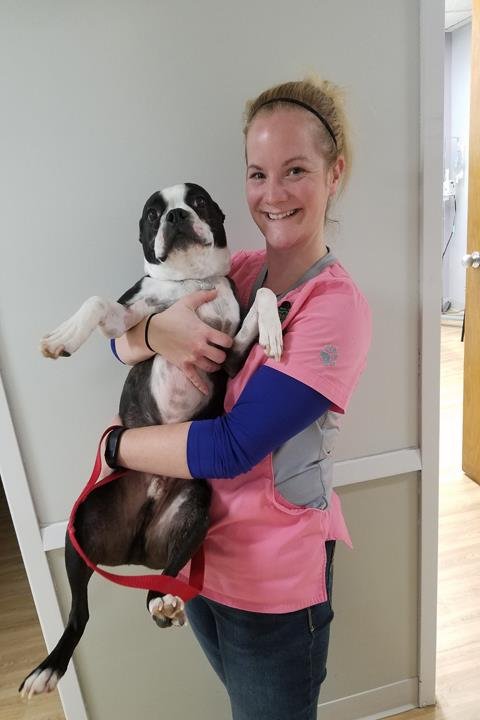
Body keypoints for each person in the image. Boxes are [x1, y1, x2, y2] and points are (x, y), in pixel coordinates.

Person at [106, 77, 372, 720]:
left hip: (272, 588)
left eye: (295, 170)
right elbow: (118, 343)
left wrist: (116, 447)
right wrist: (153, 333)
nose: (272, 194)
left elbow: (232, 448)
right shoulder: (236, 271)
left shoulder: (333, 308)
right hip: (197, 558)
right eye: (257, 174)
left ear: (334, 173)